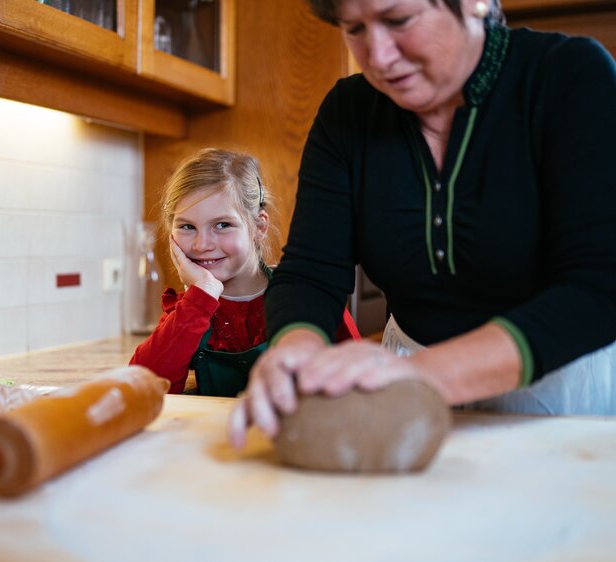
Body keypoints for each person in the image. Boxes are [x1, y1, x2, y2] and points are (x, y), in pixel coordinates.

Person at [229, 0, 616, 446]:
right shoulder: (347, 113)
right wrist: (295, 354)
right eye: (353, 29)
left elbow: (598, 286)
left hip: (555, 390)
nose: (378, 56)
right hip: (400, 378)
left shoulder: (569, 77)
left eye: (398, 20)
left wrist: (421, 375)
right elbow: (310, 273)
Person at [130, 148, 360, 397]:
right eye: (187, 226)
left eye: (222, 225)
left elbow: (360, 385)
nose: (201, 244)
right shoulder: (191, 307)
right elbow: (143, 388)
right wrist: (202, 295)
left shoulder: (305, 296)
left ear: (259, 227)